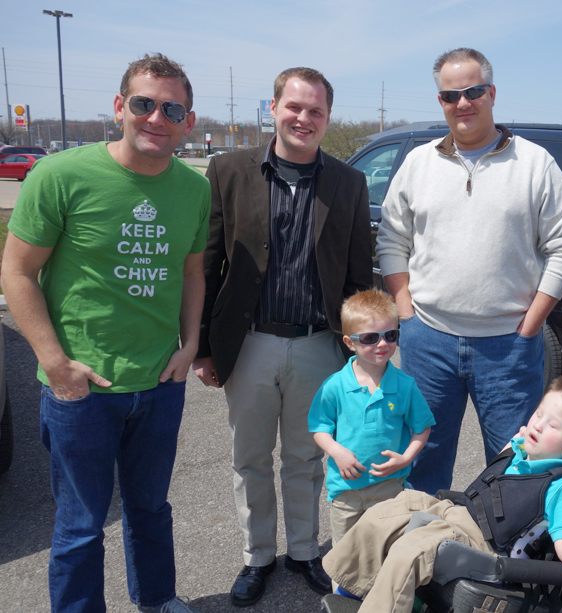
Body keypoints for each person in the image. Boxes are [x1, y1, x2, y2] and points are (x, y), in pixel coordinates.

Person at [0, 53, 208, 613]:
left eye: (172, 109)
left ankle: (158, 600)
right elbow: (16, 273)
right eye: (144, 103)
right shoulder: (59, 176)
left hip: (159, 382)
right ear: (120, 107)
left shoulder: (193, 190)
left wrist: (190, 344)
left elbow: (192, 272)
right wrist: (55, 361)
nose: (156, 118)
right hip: (81, 388)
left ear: (188, 121)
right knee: (80, 525)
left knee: (151, 509)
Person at [190, 67, 372, 606]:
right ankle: (257, 557)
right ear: (273, 108)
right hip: (249, 342)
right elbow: (209, 263)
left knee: (305, 457)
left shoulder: (348, 182)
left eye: (316, 111)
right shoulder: (228, 171)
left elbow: (358, 274)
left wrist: (361, 352)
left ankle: (304, 551)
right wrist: (203, 347)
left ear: (327, 118)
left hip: (318, 344)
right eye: (294, 106)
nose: (303, 118)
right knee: (249, 456)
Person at [376, 47, 562, 495]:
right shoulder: (418, 164)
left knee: (515, 467)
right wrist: (405, 310)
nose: (463, 103)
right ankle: (424, 538)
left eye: (473, 91)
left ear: (492, 93)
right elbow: (392, 239)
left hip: (509, 345)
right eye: (451, 95)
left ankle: (505, 541)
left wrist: (532, 323)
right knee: (423, 462)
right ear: (440, 101)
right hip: (428, 340)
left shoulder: (534, 163)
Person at [322, 377, 562, 612]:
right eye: (538, 414)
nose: (538, 425)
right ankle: (351, 590)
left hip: (487, 547)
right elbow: (493, 480)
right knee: (387, 510)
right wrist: (514, 446)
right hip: (460, 512)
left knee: (414, 547)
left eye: (553, 425)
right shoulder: (522, 451)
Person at [309, 289, 435, 544]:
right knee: (346, 554)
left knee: (386, 550)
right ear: (349, 343)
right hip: (346, 491)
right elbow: (319, 427)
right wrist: (336, 452)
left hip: (390, 487)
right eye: (370, 338)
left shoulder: (405, 385)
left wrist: (406, 458)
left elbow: (422, 427)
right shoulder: (335, 386)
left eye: (391, 335)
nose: (382, 344)